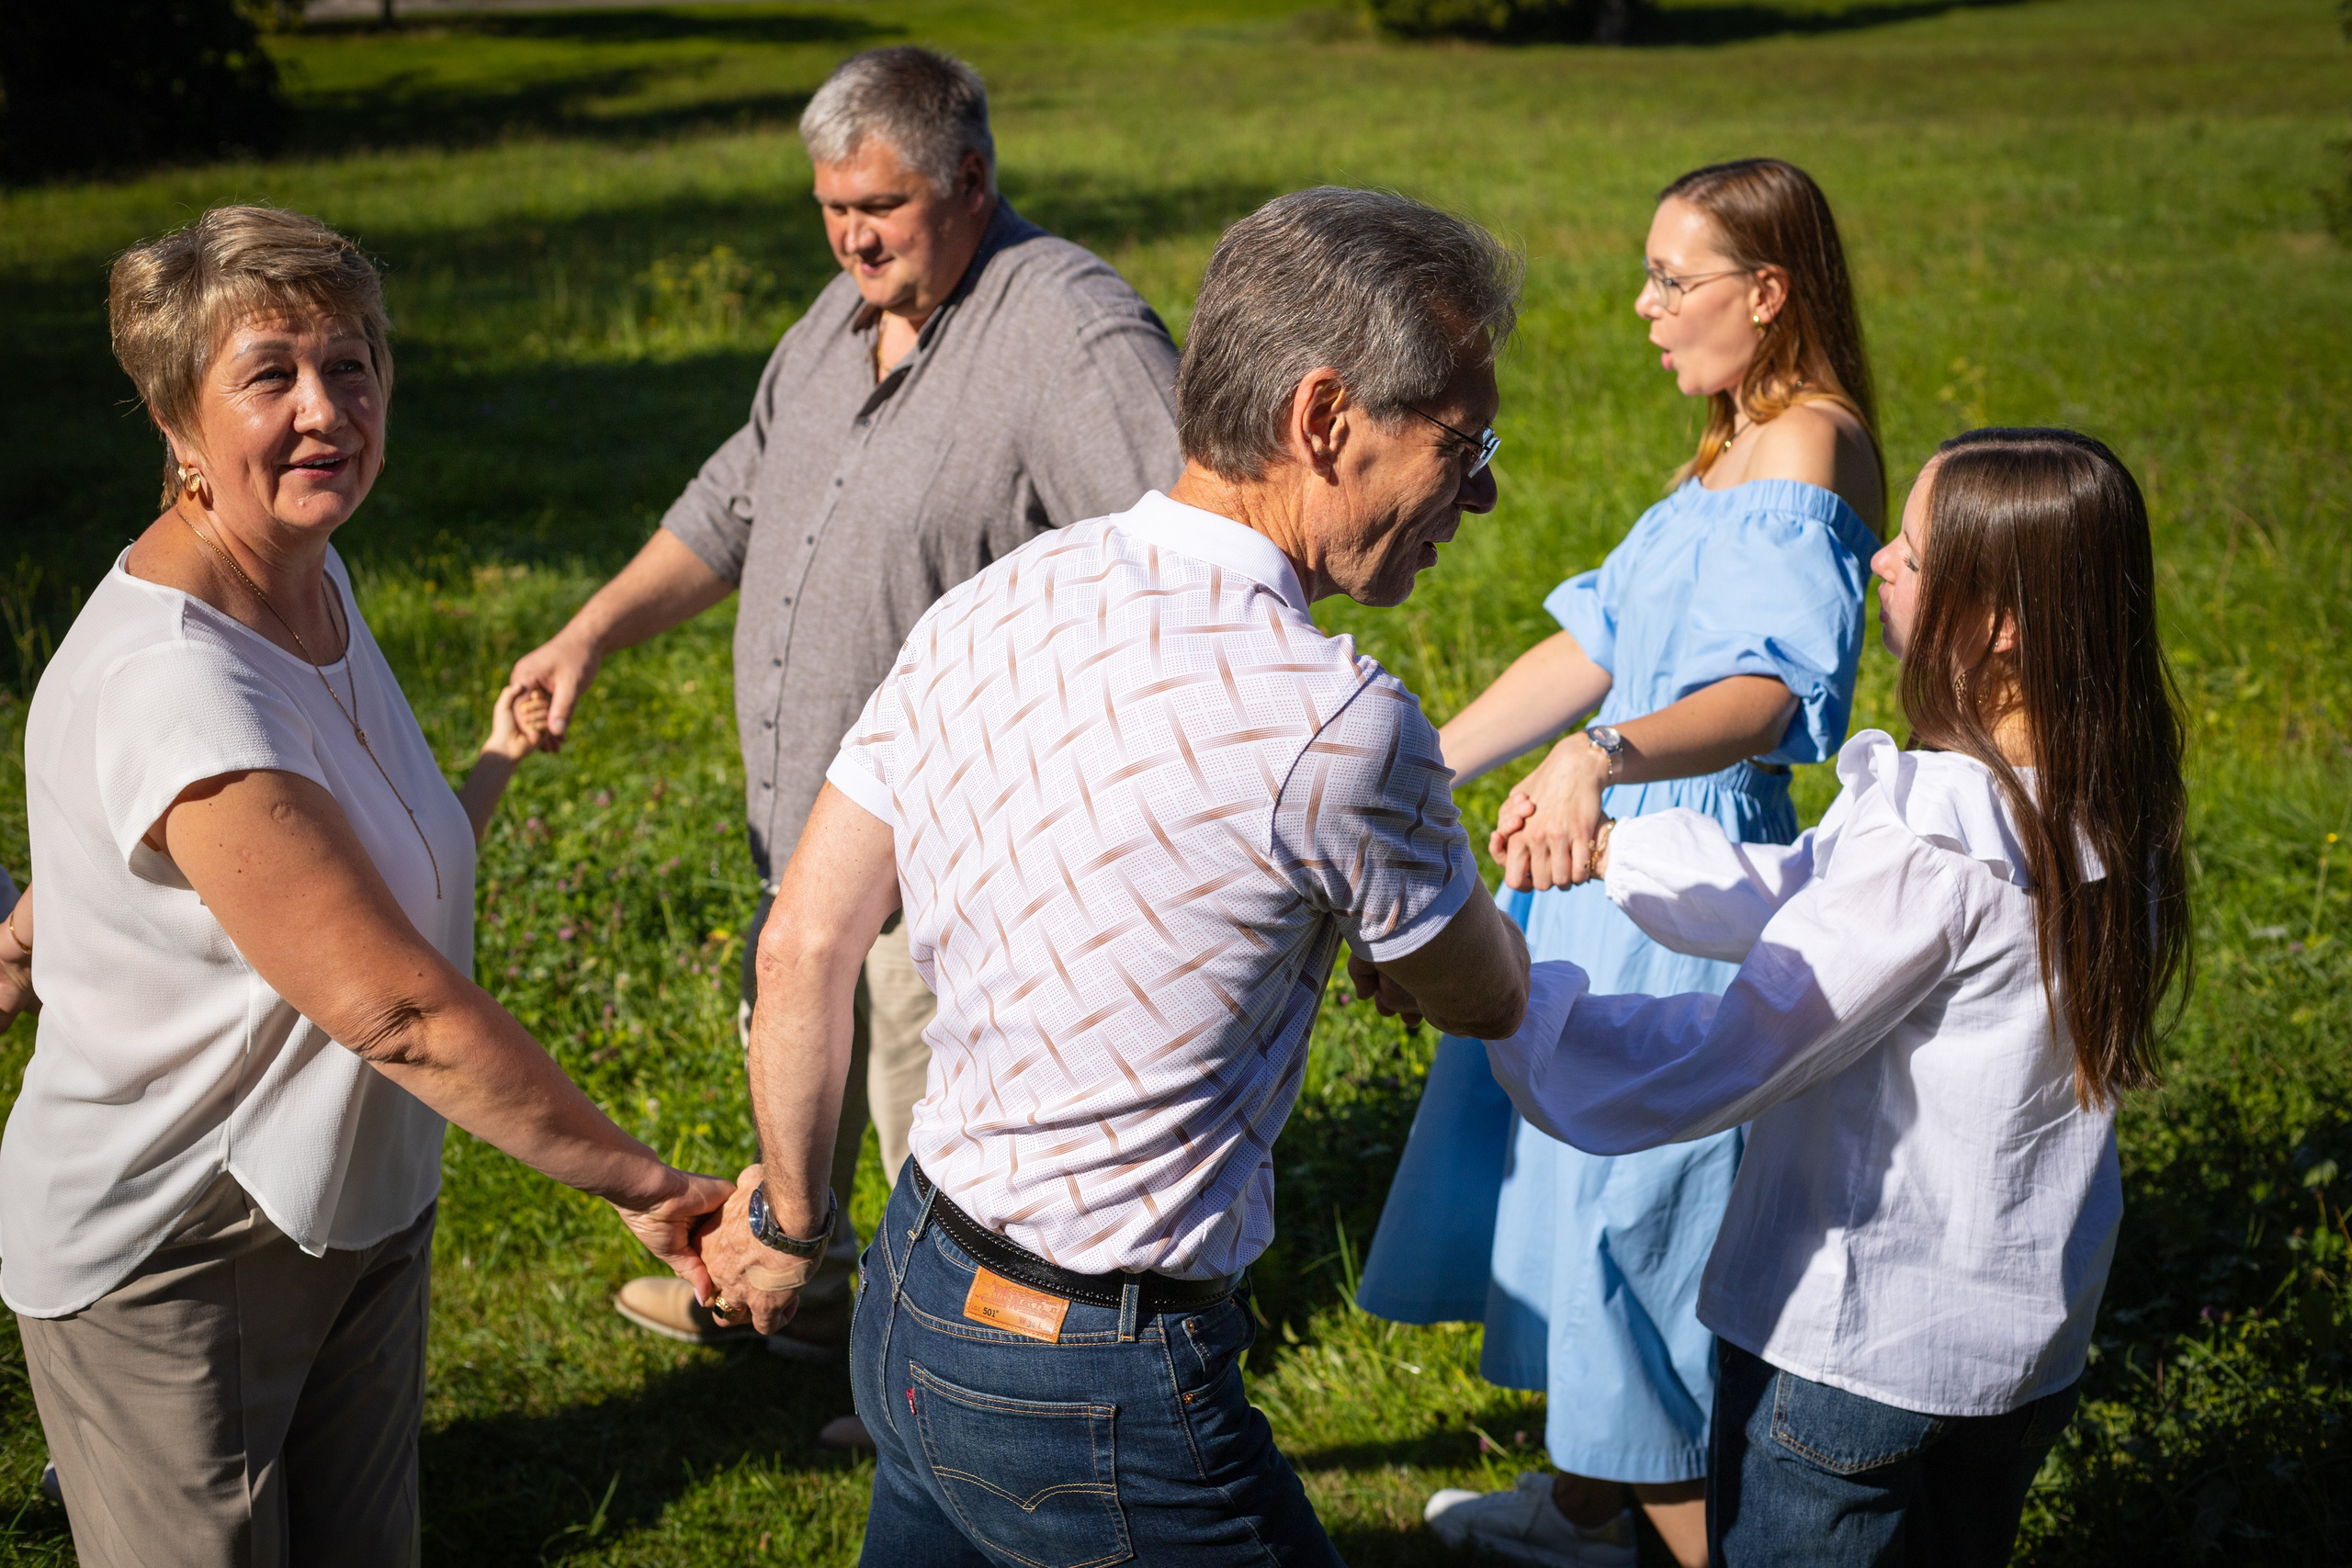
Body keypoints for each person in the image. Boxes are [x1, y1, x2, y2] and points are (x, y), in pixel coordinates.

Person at [696, 186, 1532, 1564]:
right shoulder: (1337, 717)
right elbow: (1484, 993)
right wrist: (1402, 937)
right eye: (1462, 439)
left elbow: (802, 943)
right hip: (1094, 1372)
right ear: (1325, 418)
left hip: (917, 1285)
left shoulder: (1001, 595)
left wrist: (793, 1223)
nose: (1484, 485)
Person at [2, 204, 734, 1568]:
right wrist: (641, 1180)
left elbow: (361, 873)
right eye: (270, 373)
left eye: (354, 364)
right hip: (180, 1242)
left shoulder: (308, 575)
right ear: (175, 418)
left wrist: (495, 762)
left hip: (356, 1203)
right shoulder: (178, 678)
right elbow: (395, 1007)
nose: (327, 409)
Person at [506, 45, 1185, 1365]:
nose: (852, 236)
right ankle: (819, 1290)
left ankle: (952, 1388)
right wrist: (590, 629)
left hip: (961, 856)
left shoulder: (1068, 328)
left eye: (880, 207)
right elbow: (731, 503)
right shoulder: (837, 318)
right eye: (832, 207)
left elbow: (1172, 567)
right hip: (809, 828)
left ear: (971, 180)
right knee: (807, 1083)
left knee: (939, 1133)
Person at [1469, 428, 2189, 1566]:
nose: (1877, 567)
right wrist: (1615, 854)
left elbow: (1733, 1050)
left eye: (1908, 550)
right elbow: (1806, 892)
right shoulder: (2102, 801)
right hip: (2018, 1344)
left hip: (1854, 1349)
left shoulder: (1933, 831)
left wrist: (1512, 1002)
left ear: (1997, 625)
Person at [1360, 157, 1886, 1568]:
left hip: (1689, 880)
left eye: (1675, 277)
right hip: (1615, 863)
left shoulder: (1806, 449)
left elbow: (1770, 694)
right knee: (1575, 1192)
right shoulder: (1728, 443)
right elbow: (1601, 638)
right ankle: (1590, 1497)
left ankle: (1690, 1535)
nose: (1645, 308)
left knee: (1640, 1223)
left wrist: (1604, 758)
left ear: (1767, 293)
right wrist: (1426, 762)